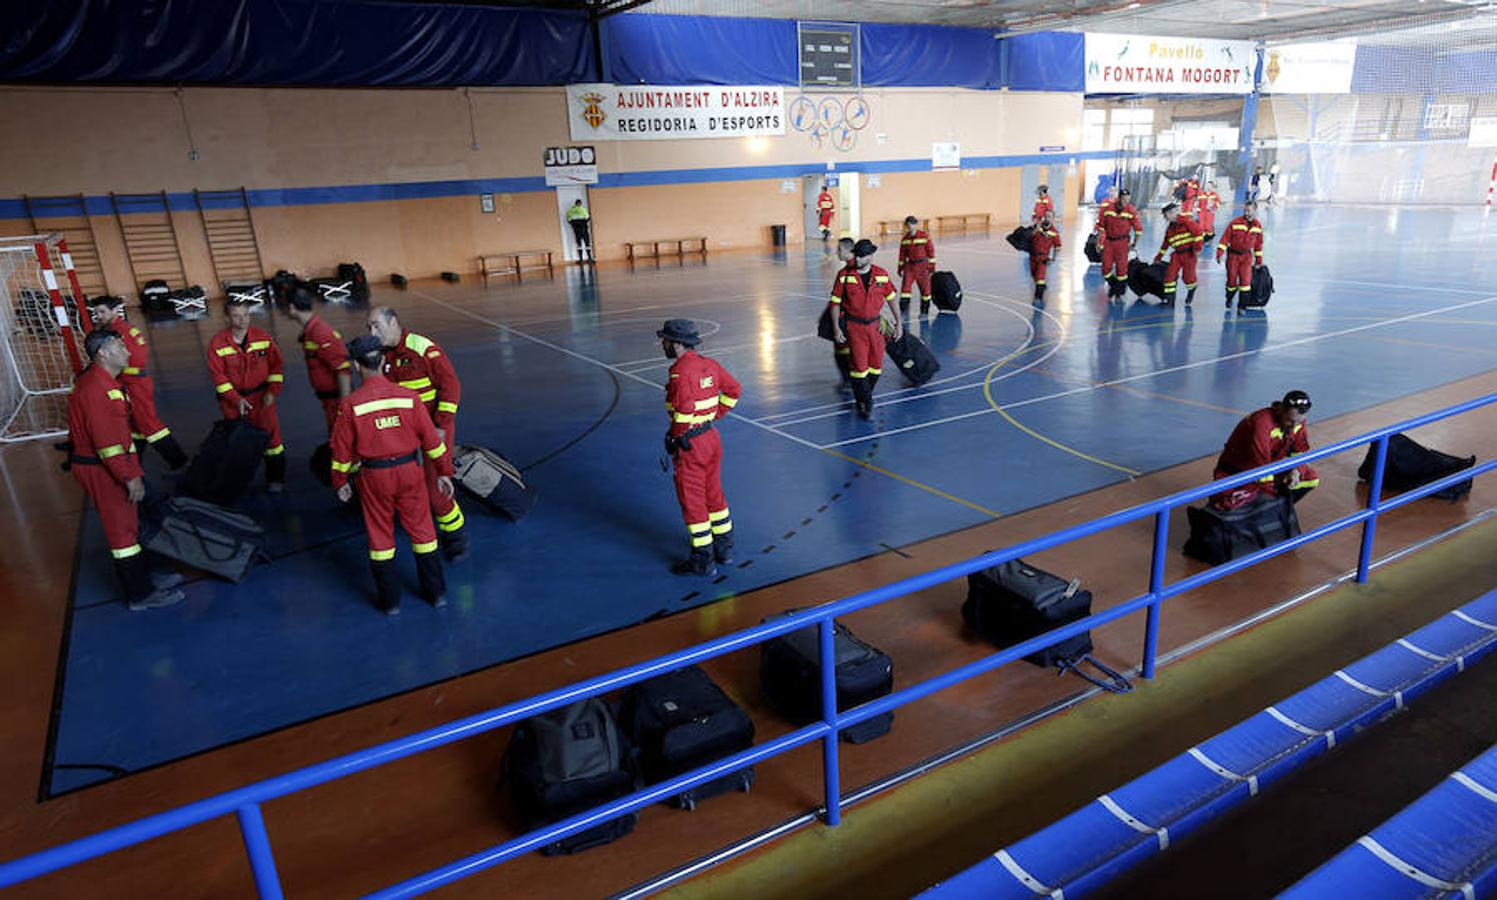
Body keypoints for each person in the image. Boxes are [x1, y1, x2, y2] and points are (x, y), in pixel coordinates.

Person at [331, 336, 453, 614]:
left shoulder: (350, 405)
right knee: (423, 531)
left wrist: (340, 481)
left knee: (380, 537)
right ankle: (436, 594)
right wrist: (444, 471)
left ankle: (391, 603)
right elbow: (432, 440)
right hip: (410, 471)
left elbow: (341, 450)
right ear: (384, 360)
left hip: (374, 478)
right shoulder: (409, 398)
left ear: (356, 366)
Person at [67, 329, 184, 611]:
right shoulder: (98, 390)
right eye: (121, 347)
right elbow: (107, 444)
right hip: (103, 469)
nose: (128, 351)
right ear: (103, 353)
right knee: (123, 533)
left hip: (112, 465)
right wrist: (129, 477)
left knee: (131, 525)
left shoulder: (104, 382)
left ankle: (146, 576)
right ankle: (140, 594)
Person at [366, 307, 468, 560]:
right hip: (401, 431)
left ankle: (454, 537)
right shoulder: (378, 356)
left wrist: (441, 426)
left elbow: (451, 386)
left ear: (394, 324)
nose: (371, 332)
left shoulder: (422, 348)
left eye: (376, 326)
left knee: (437, 488)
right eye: (368, 327)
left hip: (434, 428)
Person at [658, 320, 741, 577]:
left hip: (691, 444)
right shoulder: (710, 365)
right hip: (711, 438)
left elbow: (683, 411)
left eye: (666, 340)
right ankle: (724, 547)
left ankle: (702, 560)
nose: (663, 344)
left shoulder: (680, 372)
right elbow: (733, 389)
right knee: (713, 493)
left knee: (693, 501)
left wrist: (675, 437)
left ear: (677, 343)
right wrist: (715, 414)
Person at [86, 295, 188, 469]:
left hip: (134, 385)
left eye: (102, 311)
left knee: (148, 424)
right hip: (126, 384)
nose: (99, 316)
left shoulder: (123, 333)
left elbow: (137, 360)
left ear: (114, 311)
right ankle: (135, 462)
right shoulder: (111, 331)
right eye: (96, 313)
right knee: (134, 426)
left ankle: (178, 460)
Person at [207, 297, 286, 492]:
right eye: (236, 316)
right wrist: (236, 400)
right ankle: (238, 482)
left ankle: (276, 479)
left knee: (272, 441)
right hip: (232, 402)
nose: (243, 320)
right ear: (227, 319)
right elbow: (219, 379)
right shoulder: (217, 344)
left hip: (262, 398)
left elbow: (277, 366)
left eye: (245, 315)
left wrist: (272, 392)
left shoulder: (263, 338)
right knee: (237, 441)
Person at [828, 239, 902, 420]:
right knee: (859, 368)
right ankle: (865, 403)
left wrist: (899, 322)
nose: (858, 259)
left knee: (876, 367)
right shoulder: (844, 275)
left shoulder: (882, 275)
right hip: (855, 328)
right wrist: (837, 328)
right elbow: (835, 303)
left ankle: (864, 393)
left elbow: (892, 299)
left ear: (870, 256)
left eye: (862, 256)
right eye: (857, 255)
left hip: (876, 328)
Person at [1212, 390, 1319, 508]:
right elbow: (1262, 468)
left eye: (1298, 422)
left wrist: (1297, 470)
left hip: (1269, 468)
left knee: (1310, 478)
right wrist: (1271, 501)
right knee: (1229, 505)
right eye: (1290, 421)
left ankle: (1277, 509)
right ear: (1281, 410)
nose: (1293, 427)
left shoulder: (1296, 421)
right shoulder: (1261, 423)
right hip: (1238, 472)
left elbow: (1299, 452)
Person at [284, 283, 352, 435]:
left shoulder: (319, 333)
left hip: (335, 401)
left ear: (291, 308)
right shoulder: (310, 331)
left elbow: (342, 369)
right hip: (328, 400)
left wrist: (344, 406)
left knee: (341, 438)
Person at [1216, 199, 1264, 310]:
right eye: (1245, 210)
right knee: (1231, 282)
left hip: (1246, 258)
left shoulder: (1257, 226)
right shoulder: (1235, 223)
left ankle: (1242, 307)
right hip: (1233, 257)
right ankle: (1229, 297)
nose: (1246, 213)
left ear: (1255, 210)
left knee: (1246, 283)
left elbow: (1258, 245)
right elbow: (1224, 239)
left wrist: (1258, 260)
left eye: (1249, 210)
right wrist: (1219, 253)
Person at [1096, 187, 1143, 300]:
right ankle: (1115, 286)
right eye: (1123, 199)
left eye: (1127, 199)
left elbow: (1138, 230)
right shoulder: (1108, 209)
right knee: (1106, 269)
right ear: (1119, 198)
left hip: (1122, 243)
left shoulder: (1131, 211)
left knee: (1122, 270)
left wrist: (1134, 244)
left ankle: (1119, 291)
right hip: (1108, 242)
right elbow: (1101, 227)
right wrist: (1099, 242)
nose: (1125, 202)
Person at [1154, 203, 1205, 306]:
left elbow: (1198, 233)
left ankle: (1192, 289)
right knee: (1169, 276)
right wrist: (1158, 257)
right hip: (1177, 255)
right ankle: (1170, 300)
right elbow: (1165, 244)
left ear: (1172, 213)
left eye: (1166, 215)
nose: (1165, 217)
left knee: (1188, 278)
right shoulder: (1169, 229)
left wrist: (1197, 249)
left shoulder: (1187, 222)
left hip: (1189, 254)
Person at [897, 215, 937, 318]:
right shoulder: (905, 239)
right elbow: (902, 255)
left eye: (912, 224)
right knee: (905, 290)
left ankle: (924, 311)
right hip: (910, 266)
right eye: (909, 225)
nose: (911, 227)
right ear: (906, 226)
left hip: (922, 266)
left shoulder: (924, 236)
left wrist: (932, 267)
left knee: (926, 290)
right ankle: (904, 312)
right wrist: (900, 269)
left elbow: (931, 251)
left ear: (915, 224)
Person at [829, 237, 855, 391]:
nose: (836, 252)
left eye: (839, 249)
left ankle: (849, 380)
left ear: (848, 251)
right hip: (847, 318)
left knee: (843, 349)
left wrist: (836, 326)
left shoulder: (846, 273)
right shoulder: (845, 272)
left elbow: (836, 301)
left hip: (849, 319)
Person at [1029, 209, 1062, 304]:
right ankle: (1042, 287)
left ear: (1053, 219)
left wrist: (1053, 258)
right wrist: (1038, 227)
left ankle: (1038, 297)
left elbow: (1057, 247)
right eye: (1046, 216)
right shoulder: (1038, 227)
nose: (1047, 218)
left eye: (1049, 217)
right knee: (1034, 276)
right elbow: (1031, 236)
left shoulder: (1054, 232)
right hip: (1032, 257)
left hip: (1043, 258)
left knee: (1040, 277)